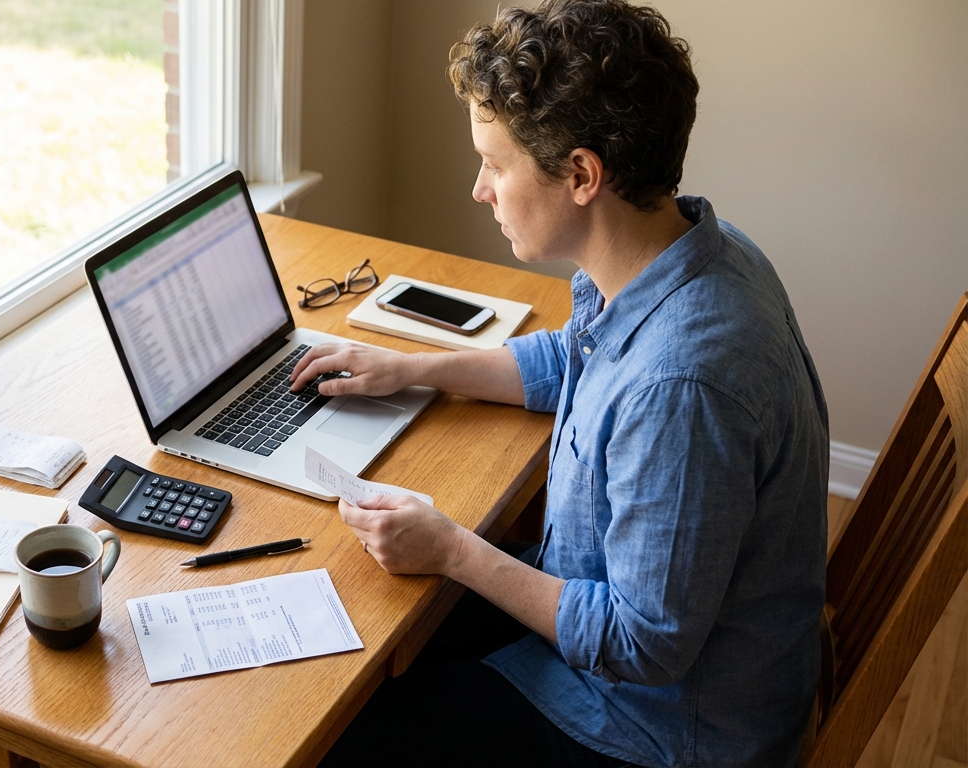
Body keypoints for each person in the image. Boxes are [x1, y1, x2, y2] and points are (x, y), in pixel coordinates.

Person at [299, 1, 829, 766]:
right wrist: (410, 369)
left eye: (494, 163)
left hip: (659, 728)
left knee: (340, 733)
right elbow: (573, 360)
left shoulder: (683, 385)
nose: (480, 190)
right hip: (622, 624)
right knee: (364, 623)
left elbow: (641, 645)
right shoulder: (691, 252)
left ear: (582, 174)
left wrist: (453, 548)